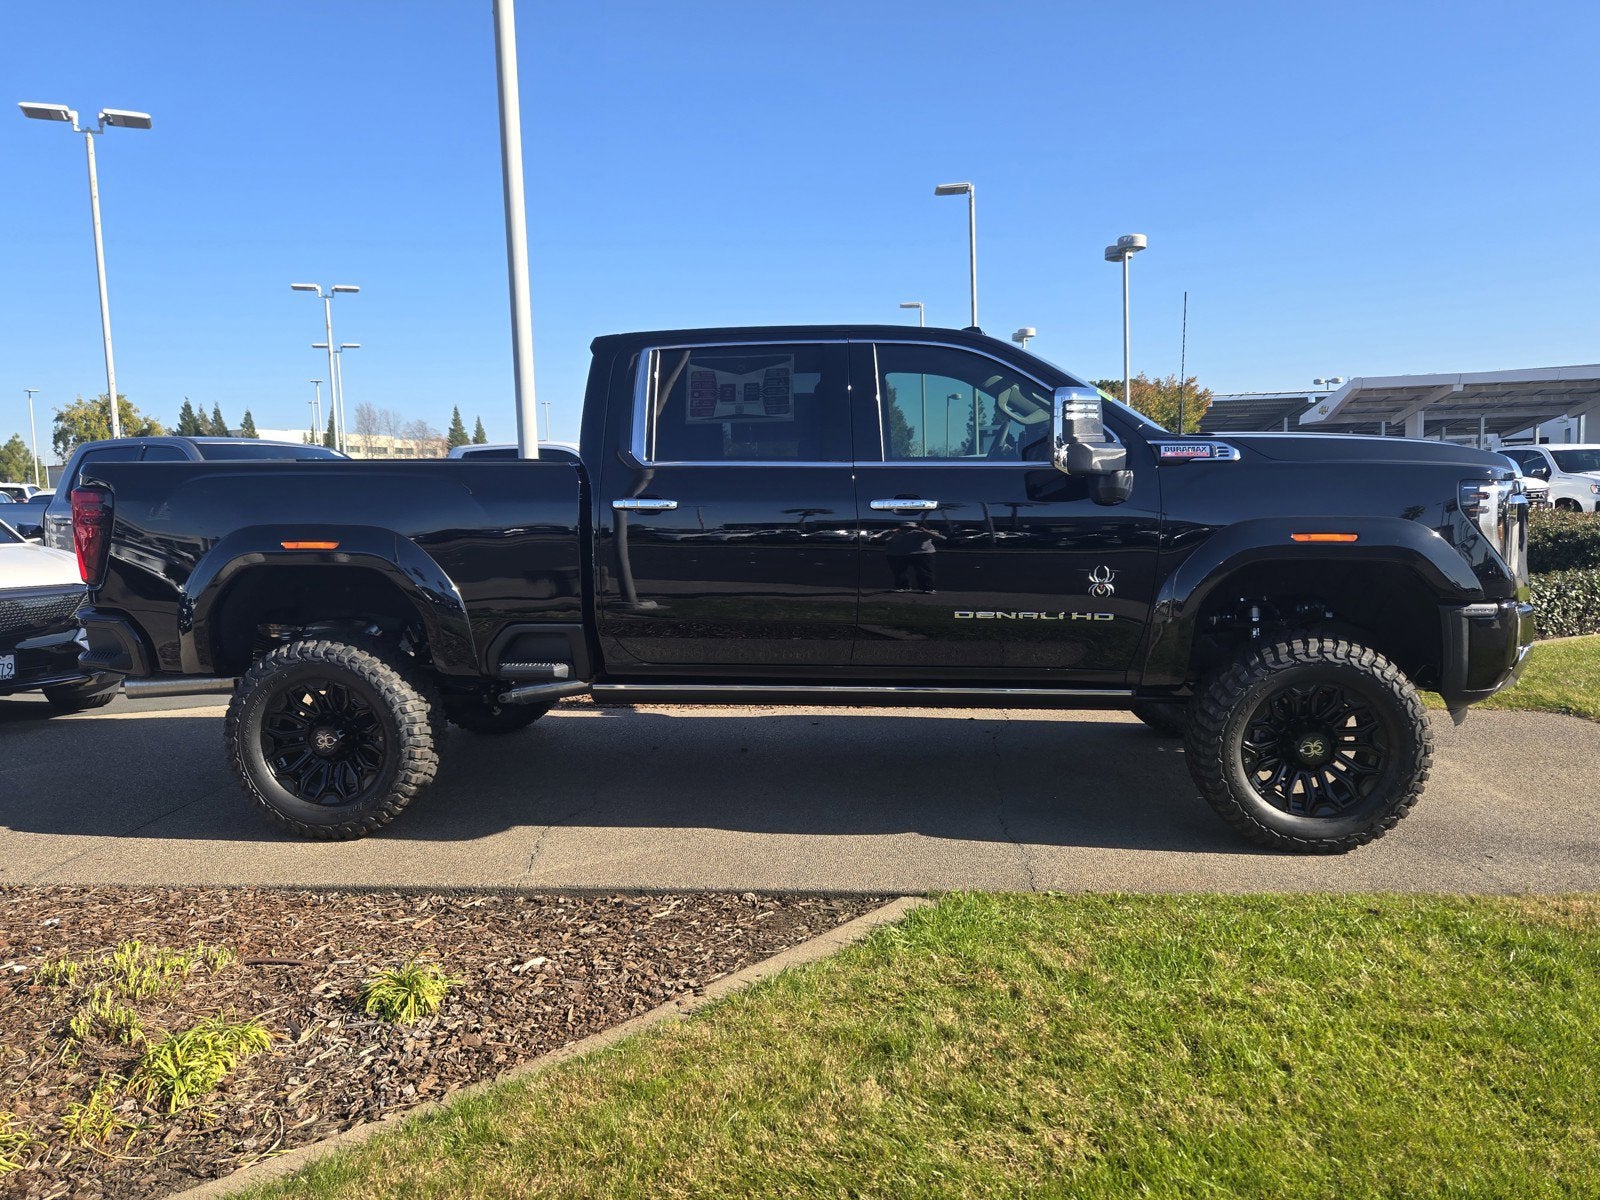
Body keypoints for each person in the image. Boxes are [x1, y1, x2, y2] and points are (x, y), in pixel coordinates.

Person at [884, 521, 945, 593]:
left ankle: (928, 588)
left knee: (924, 571)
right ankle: (903, 587)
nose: (908, 529)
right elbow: (880, 539)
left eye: (910, 528)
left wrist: (924, 530)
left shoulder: (924, 532)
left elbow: (941, 538)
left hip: (923, 553)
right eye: (905, 527)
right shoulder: (895, 533)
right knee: (900, 571)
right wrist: (891, 532)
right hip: (902, 554)